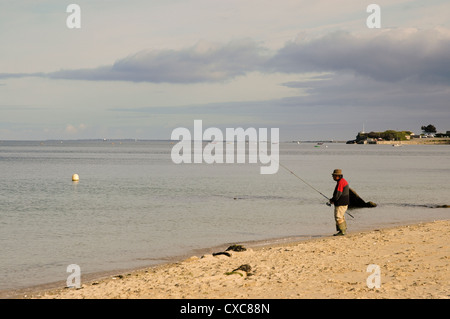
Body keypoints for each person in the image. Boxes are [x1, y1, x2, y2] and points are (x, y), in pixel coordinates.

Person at [328, 169, 349, 236]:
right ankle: (343, 229)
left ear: (337, 176)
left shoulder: (341, 182)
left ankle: (342, 231)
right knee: (341, 216)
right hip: (343, 202)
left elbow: (338, 194)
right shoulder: (342, 181)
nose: (333, 177)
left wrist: (333, 200)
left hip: (341, 203)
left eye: (333, 176)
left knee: (338, 217)